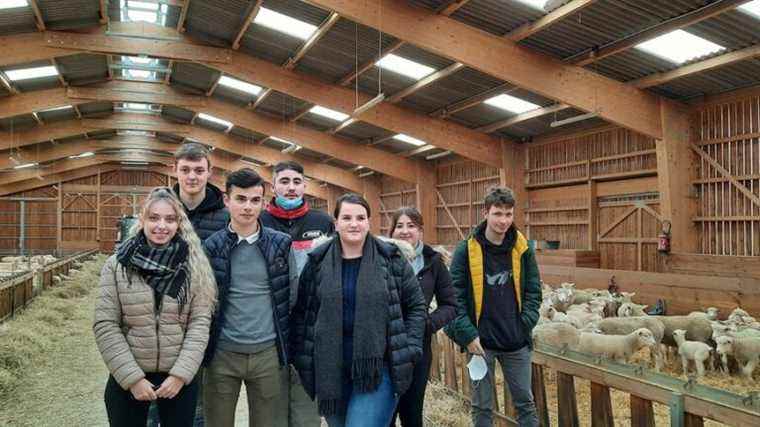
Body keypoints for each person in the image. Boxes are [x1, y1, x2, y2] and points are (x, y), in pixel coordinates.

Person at [291, 193, 427, 427]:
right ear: (336, 223)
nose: (354, 224)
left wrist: (410, 347)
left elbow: (416, 305)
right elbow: (302, 312)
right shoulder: (317, 263)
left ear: (369, 222)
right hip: (331, 370)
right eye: (347, 217)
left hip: (378, 369)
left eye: (360, 217)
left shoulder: (391, 260)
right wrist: (302, 354)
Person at [93, 187, 216, 427]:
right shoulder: (117, 266)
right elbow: (105, 324)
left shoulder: (194, 267)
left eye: (170, 219)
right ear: (142, 220)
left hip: (177, 380)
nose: (162, 225)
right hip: (129, 377)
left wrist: (180, 375)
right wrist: (133, 379)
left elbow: (200, 323)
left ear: (179, 223)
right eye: (154, 218)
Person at [202, 168, 295, 427]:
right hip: (223, 355)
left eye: (255, 200)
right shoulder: (211, 246)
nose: (248, 207)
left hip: (267, 355)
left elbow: (292, 295)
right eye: (241, 199)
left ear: (264, 203)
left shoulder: (281, 244)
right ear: (226, 200)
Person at [445, 186, 542, 427]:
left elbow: (533, 290)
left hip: (516, 341)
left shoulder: (522, 249)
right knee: (481, 406)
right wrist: (467, 334)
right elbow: (454, 296)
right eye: (498, 213)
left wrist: (524, 323)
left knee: (525, 403)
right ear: (485, 213)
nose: (503, 220)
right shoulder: (466, 250)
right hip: (480, 344)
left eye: (508, 214)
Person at [259, 160, 334, 427]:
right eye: (284, 182)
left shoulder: (323, 222)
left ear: (305, 186)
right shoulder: (259, 221)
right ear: (273, 186)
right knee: (272, 407)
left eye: (296, 182)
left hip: (311, 323)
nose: (291, 188)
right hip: (271, 322)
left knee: (306, 408)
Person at [387, 207, 458, 427]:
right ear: (391, 231)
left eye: (412, 226)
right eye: (399, 226)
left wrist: (428, 324)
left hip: (417, 346)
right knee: (384, 413)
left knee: (412, 412)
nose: (405, 231)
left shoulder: (432, 262)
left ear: (420, 231)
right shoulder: (380, 257)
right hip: (383, 346)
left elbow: (450, 304)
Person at [173, 142, 230, 241]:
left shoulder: (228, 219)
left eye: (199, 171)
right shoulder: (160, 213)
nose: (192, 177)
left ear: (209, 172)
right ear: (174, 170)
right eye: (185, 170)